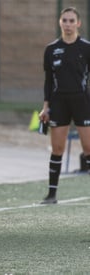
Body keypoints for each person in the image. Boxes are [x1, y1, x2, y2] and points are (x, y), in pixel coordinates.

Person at [39, 7, 90, 204]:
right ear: (60, 23)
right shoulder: (51, 50)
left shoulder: (86, 47)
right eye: (64, 21)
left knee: (88, 148)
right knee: (57, 148)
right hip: (58, 102)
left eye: (71, 21)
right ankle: (51, 195)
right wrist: (45, 107)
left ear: (78, 23)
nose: (68, 24)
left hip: (82, 102)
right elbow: (48, 82)